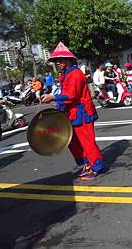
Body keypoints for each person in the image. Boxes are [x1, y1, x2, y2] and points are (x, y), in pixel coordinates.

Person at [41, 42, 103, 180]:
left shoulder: (75, 74)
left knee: (87, 141)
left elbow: (71, 95)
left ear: (69, 60)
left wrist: (53, 97)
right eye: (56, 60)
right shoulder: (64, 74)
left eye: (61, 60)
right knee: (74, 142)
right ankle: (87, 163)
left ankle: (96, 166)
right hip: (71, 113)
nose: (58, 63)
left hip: (82, 112)